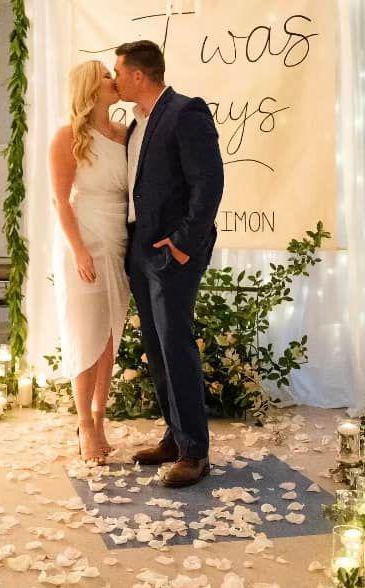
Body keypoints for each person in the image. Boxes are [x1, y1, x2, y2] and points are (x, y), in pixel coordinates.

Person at [113, 40, 224, 487]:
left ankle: (196, 453)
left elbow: (209, 185)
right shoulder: (136, 124)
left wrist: (180, 245)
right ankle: (175, 439)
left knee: (175, 344)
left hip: (170, 251)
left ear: (138, 75)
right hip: (141, 248)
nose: (114, 79)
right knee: (157, 346)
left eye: (118, 71)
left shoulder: (185, 112)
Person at [49, 60, 131, 465]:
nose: (112, 80)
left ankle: (101, 418)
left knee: (108, 338)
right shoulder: (67, 137)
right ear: (88, 87)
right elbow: (60, 201)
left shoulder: (124, 134)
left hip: (118, 244)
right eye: (104, 75)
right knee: (86, 336)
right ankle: (84, 425)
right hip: (84, 243)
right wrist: (79, 250)